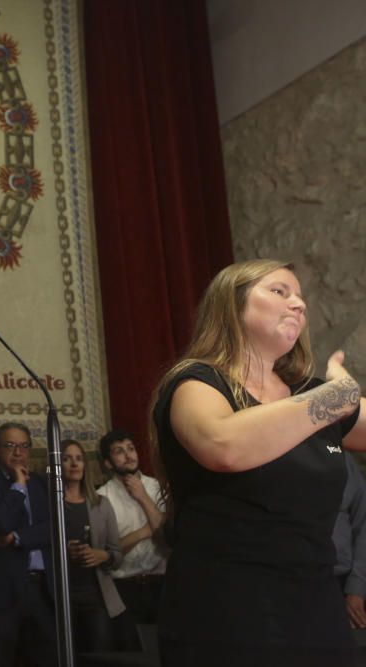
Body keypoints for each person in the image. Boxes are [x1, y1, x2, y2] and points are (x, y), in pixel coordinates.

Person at [151, 258, 366, 666]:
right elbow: (224, 446)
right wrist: (336, 395)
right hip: (227, 607)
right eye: (280, 291)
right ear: (232, 307)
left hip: (315, 605)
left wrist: (334, 396)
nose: (299, 304)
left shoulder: (311, 394)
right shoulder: (197, 381)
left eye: (300, 296)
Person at [0, 422, 57, 667]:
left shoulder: (42, 484)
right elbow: (0, 523)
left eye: (23, 446)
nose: (18, 452)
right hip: (2, 593)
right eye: (10, 445)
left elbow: (55, 528)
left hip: (43, 590)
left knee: (47, 658)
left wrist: (16, 538)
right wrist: (18, 486)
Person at [96, 428, 166, 647]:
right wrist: (144, 532)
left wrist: (143, 497)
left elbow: (168, 539)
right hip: (124, 587)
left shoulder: (158, 488)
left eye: (131, 449)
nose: (128, 455)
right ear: (108, 463)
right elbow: (107, 553)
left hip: (161, 584)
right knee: (132, 652)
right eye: (119, 451)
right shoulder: (102, 498)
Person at [60, 438, 125, 655]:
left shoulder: (101, 504)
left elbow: (117, 555)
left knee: (99, 657)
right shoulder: (51, 504)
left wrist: (103, 555)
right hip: (60, 597)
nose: (74, 464)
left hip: (96, 598)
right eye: (67, 459)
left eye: (79, 459)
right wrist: (63, 552)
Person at [333, 451, 366, 629]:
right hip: (285, 581)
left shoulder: (343, 459)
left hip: (340, 581)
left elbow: (363, 525)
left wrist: (357, 587)